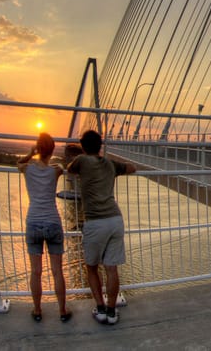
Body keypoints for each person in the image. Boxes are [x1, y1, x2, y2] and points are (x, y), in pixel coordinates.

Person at [67, 129, 136, 325]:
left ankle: (100, 308)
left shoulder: (81, 161)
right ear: (100, 146)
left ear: (83, 147)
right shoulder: (110, 164)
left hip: (95, 222)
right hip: (115, 219)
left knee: (91, 266)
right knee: (111, 268)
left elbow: (70, 169)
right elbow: (131, 168)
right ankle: (112, 311)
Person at [17, 133, 72, 323]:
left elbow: (19, 163)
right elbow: (62, 168)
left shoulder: (28, 169)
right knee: (57, 271)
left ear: (38, 149)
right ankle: (63, 311)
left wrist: (31, 152)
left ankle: (38, 310)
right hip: (53, 222)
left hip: (33, 223)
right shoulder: (55, 171)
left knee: (36, 272)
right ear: (52, 150)